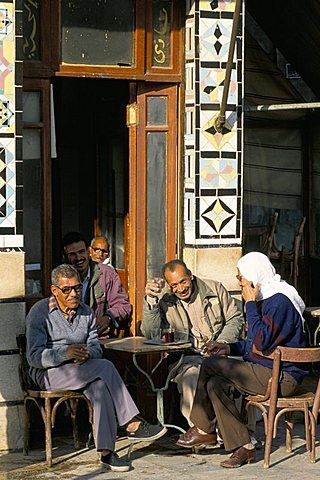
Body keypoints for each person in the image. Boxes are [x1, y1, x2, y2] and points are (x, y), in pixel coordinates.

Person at [26, 264, 166, 472]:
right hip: (49, 373)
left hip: (83, 369)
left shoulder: (86, 312)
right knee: (106, 368)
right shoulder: (40, 312)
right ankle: (131, 423)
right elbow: (34, 357)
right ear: (55, 291)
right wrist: (66, 353)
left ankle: (107, 453)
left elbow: (95, 346)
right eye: (67, 289)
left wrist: (87, 354)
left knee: (100, 387)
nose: (74, 293)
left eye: (77, 287)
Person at [177, 252, 308, 468]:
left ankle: (203, 429)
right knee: (215, 384)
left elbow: (261, 341)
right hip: (265, 371)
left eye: (241, 277)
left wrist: (249, 304)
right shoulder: (267, 298)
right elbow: (255, 344)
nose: (239, 282)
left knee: (209, 364)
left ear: (254, 277)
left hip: (283, 378)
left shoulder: (279, 301)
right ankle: (244, 447)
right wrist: (228, 347)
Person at [141, 259, 244, 433]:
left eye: (183, 281)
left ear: (190, 275)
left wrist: (223, 342)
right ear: (168, 285)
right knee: (191, 378)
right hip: (187, 357)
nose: (180, 289)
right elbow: (151, 332)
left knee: (237, 374)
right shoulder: (165, 300)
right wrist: (151, 300)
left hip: (220, 353)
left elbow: (235, 318)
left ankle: (234, 431)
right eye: (174, 285)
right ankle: (202, 431)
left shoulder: (215, 289)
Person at [62, 232, 131, 339]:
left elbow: (123, 305)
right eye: (72, 254)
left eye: (81, 252)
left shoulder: (107, 274)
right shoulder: (61, 277)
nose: (79, 258)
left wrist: (108, 318)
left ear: (88, 251)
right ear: (65, 257)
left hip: (100, 341)